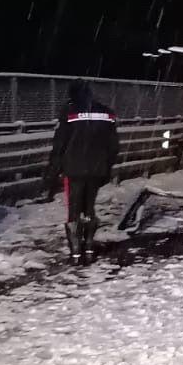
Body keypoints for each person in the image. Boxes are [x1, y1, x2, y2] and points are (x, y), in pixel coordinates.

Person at [45, 80, 119, 263]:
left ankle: (76, 252)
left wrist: (52, 172)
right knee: (89, 207)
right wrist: (106, 167)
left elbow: (60, 144)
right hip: (97, 168)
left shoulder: (69, 113)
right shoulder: (106, 112)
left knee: (74, 209)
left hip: (74, 168)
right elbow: (113, 146)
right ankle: (89, 248)